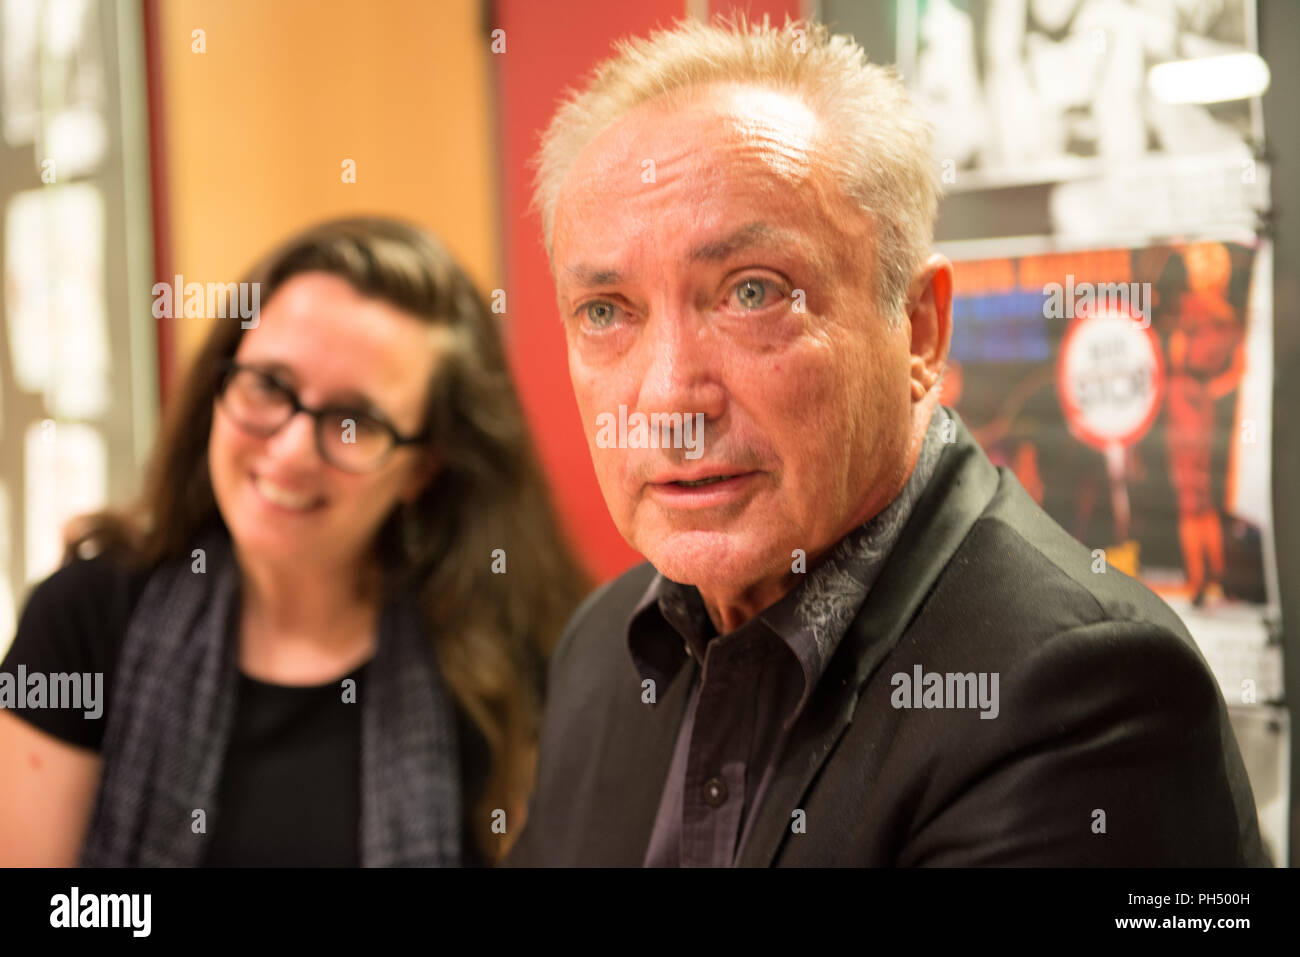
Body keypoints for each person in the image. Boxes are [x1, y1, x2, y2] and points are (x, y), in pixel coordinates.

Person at [505, 17, 1268, 866]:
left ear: (920, 329)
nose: (666, 396)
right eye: (606, 310)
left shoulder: (1082, 695)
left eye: (752, 291)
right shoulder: (599, 650)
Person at [0, 216, 589, 866]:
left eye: (354, 419)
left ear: (424, 467)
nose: (289, 450)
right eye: (269, 385)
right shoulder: (84, 617)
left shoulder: (517, 666)